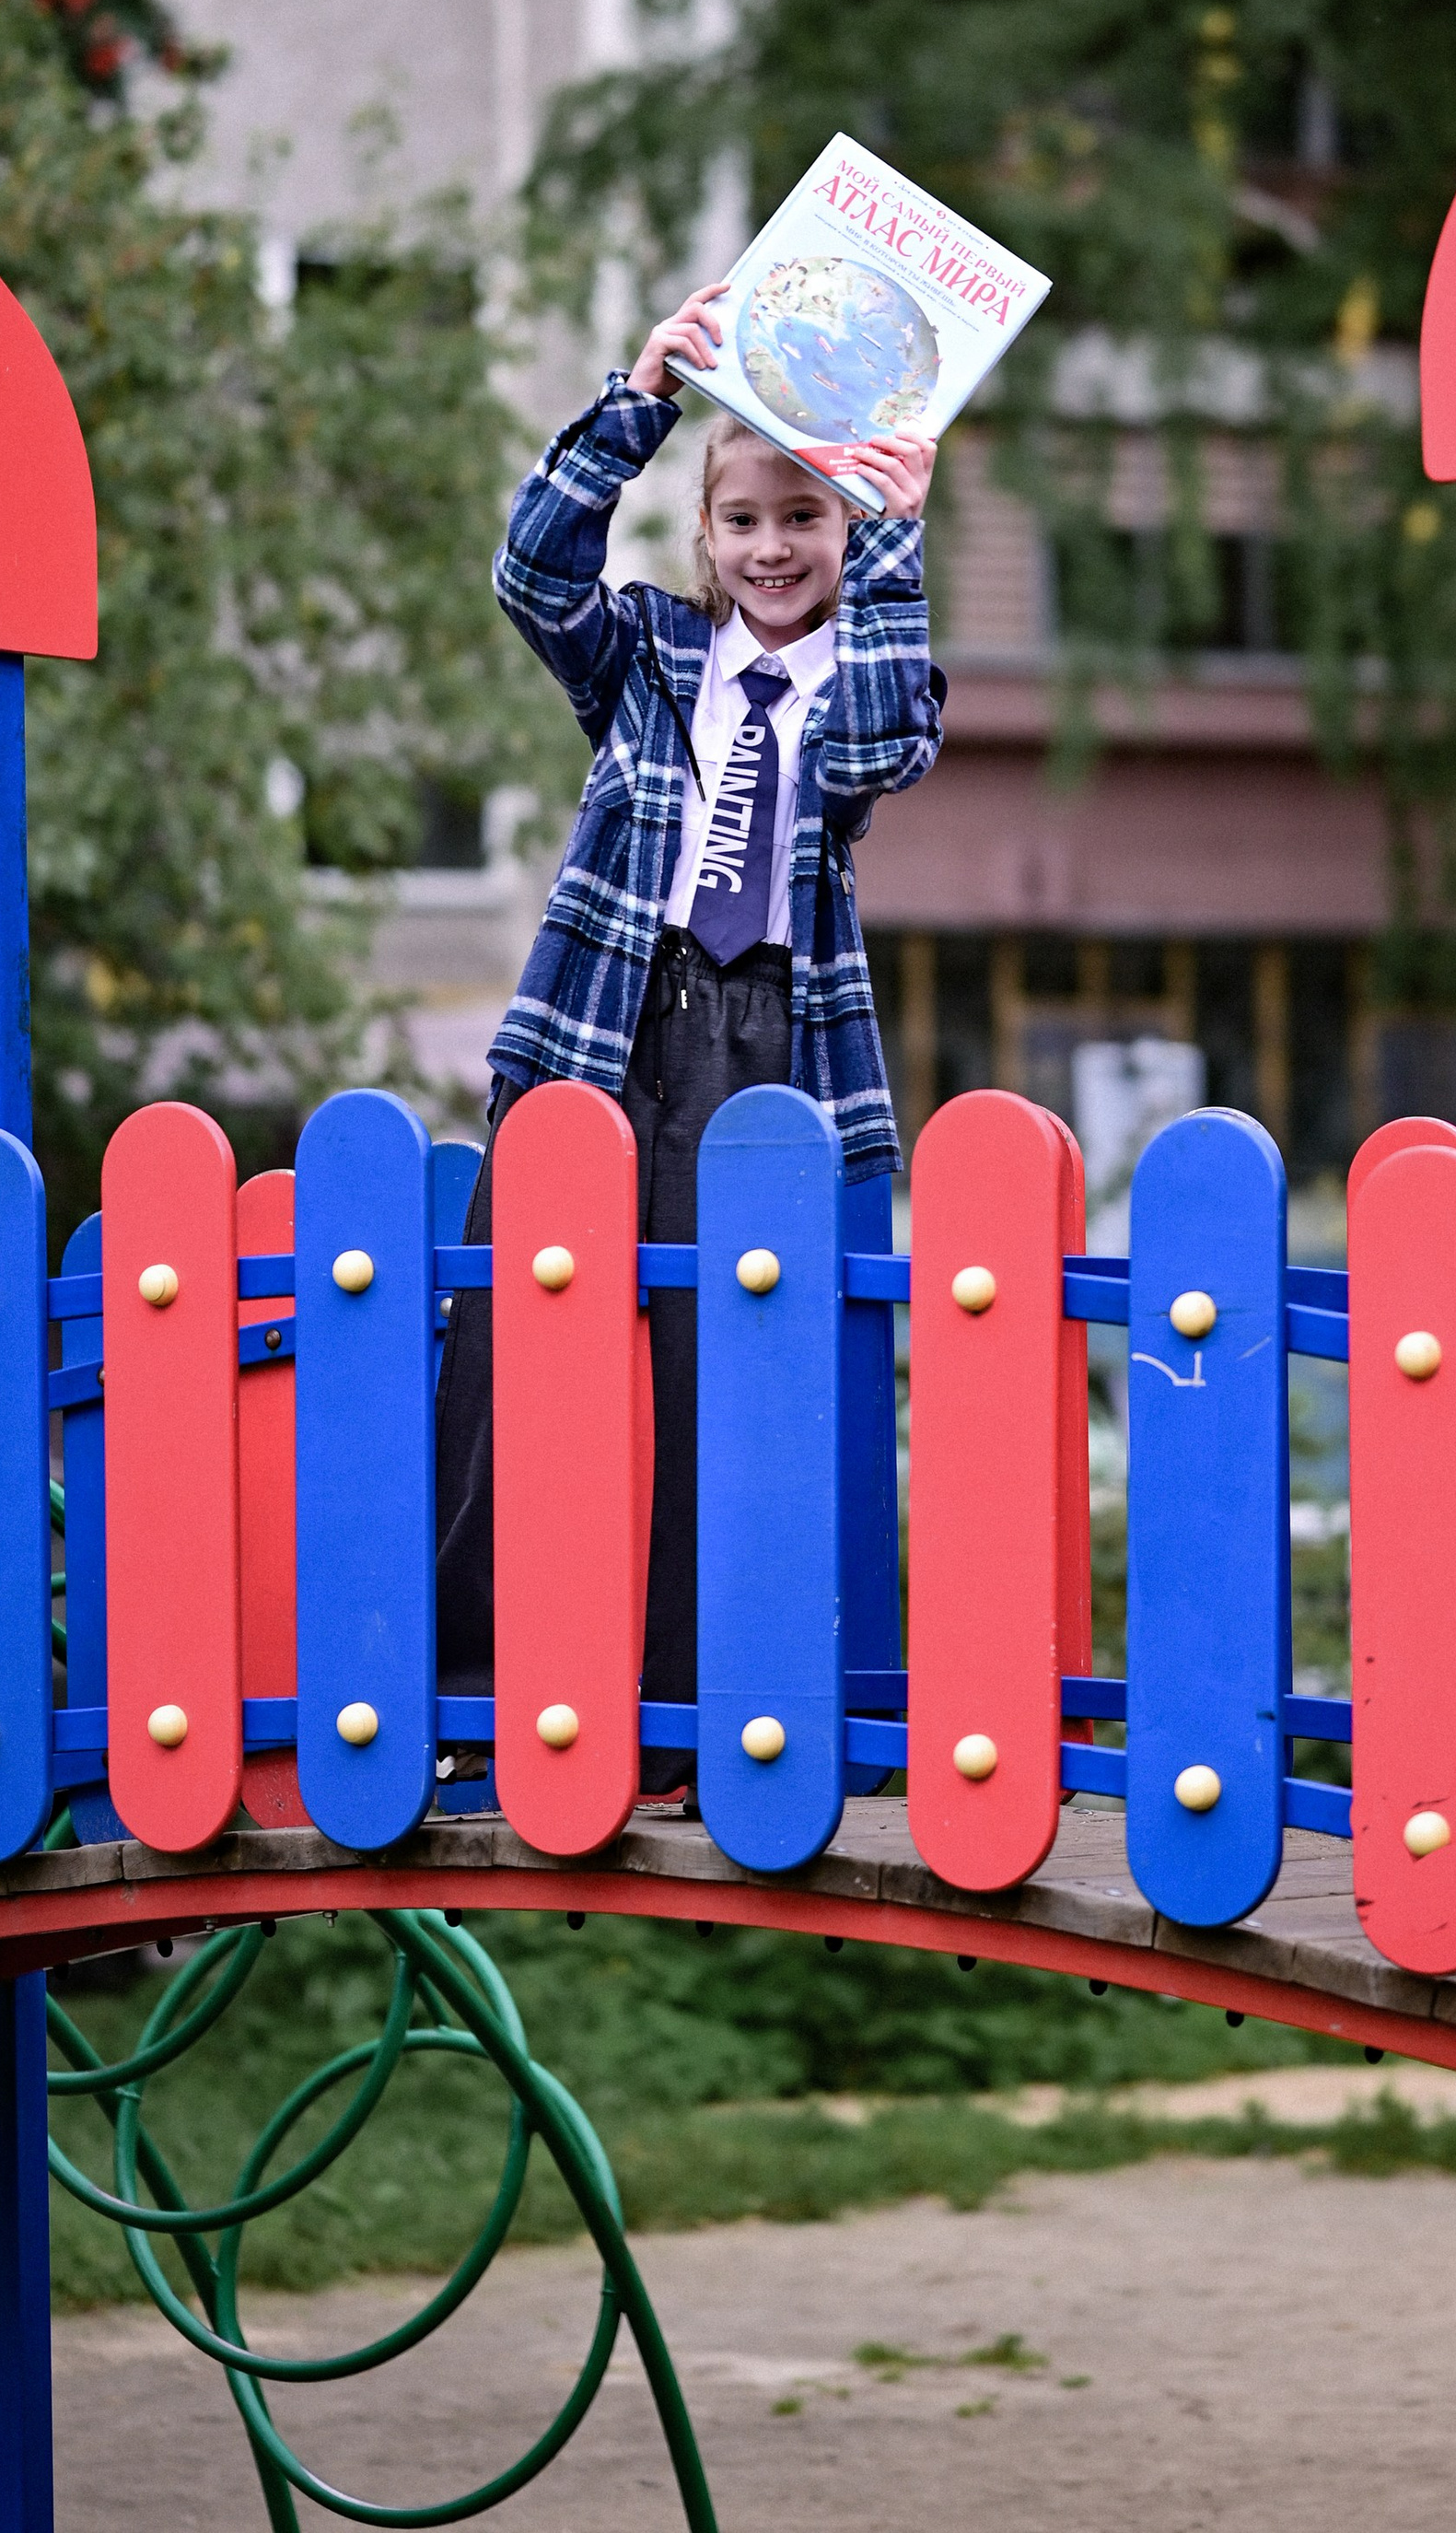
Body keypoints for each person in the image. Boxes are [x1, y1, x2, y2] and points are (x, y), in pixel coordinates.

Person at [434, 278, 942, 1801]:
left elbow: (876, 746)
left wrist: (899, 529)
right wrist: (642, 399)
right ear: (704, 539)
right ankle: (472, 1693)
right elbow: (532, 575)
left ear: (846, 533)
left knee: (717, 1381)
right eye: (743, 521)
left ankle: (677, 1719)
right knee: (511, 1358)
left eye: (806, 518)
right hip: (604, 1019)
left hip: (761, 1040)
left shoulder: (871, 676)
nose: (774, 547)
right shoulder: (648, 661)